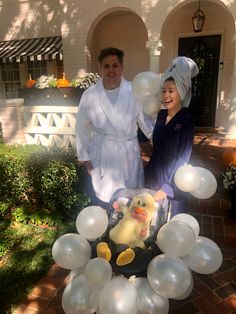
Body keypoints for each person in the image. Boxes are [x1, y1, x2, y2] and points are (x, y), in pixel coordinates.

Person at [75, 47, 154, 208]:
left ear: (122, 67)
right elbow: (81, 126)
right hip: (103, 152)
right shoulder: (90, 95)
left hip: (128, 151)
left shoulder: (133, 91)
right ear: (100, 68)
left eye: (115, 65)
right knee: (105, 199)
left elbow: (145, 121)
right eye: (106, 66)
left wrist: (157, 139)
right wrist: (84, 155)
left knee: (131, 200)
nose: (111, 70)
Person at [145, 56, 199, 217]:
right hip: (153, 178)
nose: (166, 95)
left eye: (171, 91)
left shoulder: (187, 121)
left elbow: (183, 159)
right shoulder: (161, 115)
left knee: (171, 226)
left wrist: (167, 187)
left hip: (173, 184)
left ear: (181, 92)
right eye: (163, 91)